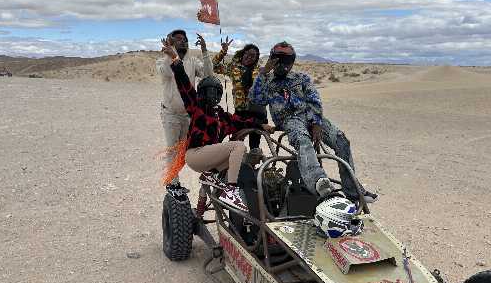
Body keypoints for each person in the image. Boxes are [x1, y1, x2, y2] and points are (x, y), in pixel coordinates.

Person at [248, 41, 378, 204]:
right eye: (278, 60)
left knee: (341, 140)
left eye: (287, 61)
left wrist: (316, 122)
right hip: (289, 119)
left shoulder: (301, 78)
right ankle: (320, 186)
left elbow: (313, 99)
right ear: (271, 60)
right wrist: (263, 73)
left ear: (292, 62)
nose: (282, 65)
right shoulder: (266, 81)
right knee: (303, 141)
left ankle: (353, 191)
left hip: (310, 116)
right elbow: (255, 99)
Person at [161, 38, 274, 211]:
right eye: (209, 91)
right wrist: (175, 59)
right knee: (238, 146)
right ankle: (230, 192)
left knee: (242, 161)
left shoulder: (221, 115)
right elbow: (184, 83)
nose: (212, 95)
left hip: (209, 157)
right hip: (195, 154)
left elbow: (241, 121)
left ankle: (207, 194)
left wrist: (261, 125)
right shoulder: (196, 108)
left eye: (216, 92)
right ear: (202, 93)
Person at [156, 29, 215, 201]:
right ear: (171, 43)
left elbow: (207, 74)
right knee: (173, 149)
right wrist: (170, 55)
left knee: (183, 149)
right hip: (171, 113)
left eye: (184, 39)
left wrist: (204, 51)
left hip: (188, 115)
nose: (183, 41)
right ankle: (173, 184)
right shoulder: (162, 61)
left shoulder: (192, 61)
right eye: (178, 39)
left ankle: (175, 181)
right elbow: (168, 72)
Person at [212, 43, 268, 153]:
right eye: (248, 54)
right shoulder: (233, 68)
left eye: (253, 56)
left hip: (257, 113)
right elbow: (214, 66)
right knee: (236, 142)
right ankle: (237, 161)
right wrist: (223, 51)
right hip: (240, 113)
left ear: (256, 59)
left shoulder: (260, 71)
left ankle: (252, 161)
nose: (249, 57)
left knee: (254, 146)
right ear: (243, 53)